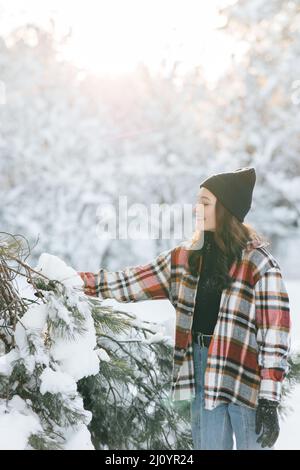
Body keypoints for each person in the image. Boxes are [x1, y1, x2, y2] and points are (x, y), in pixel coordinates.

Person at [78, 167, 291, 450]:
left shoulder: (259, 264)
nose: (195, 209)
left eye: (205, 203)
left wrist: (269, 399)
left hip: (246, 374)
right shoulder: (184, 259)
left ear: (226, 209)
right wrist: (72, 281)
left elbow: (275, 335)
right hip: (202, 366)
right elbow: (127, 282)